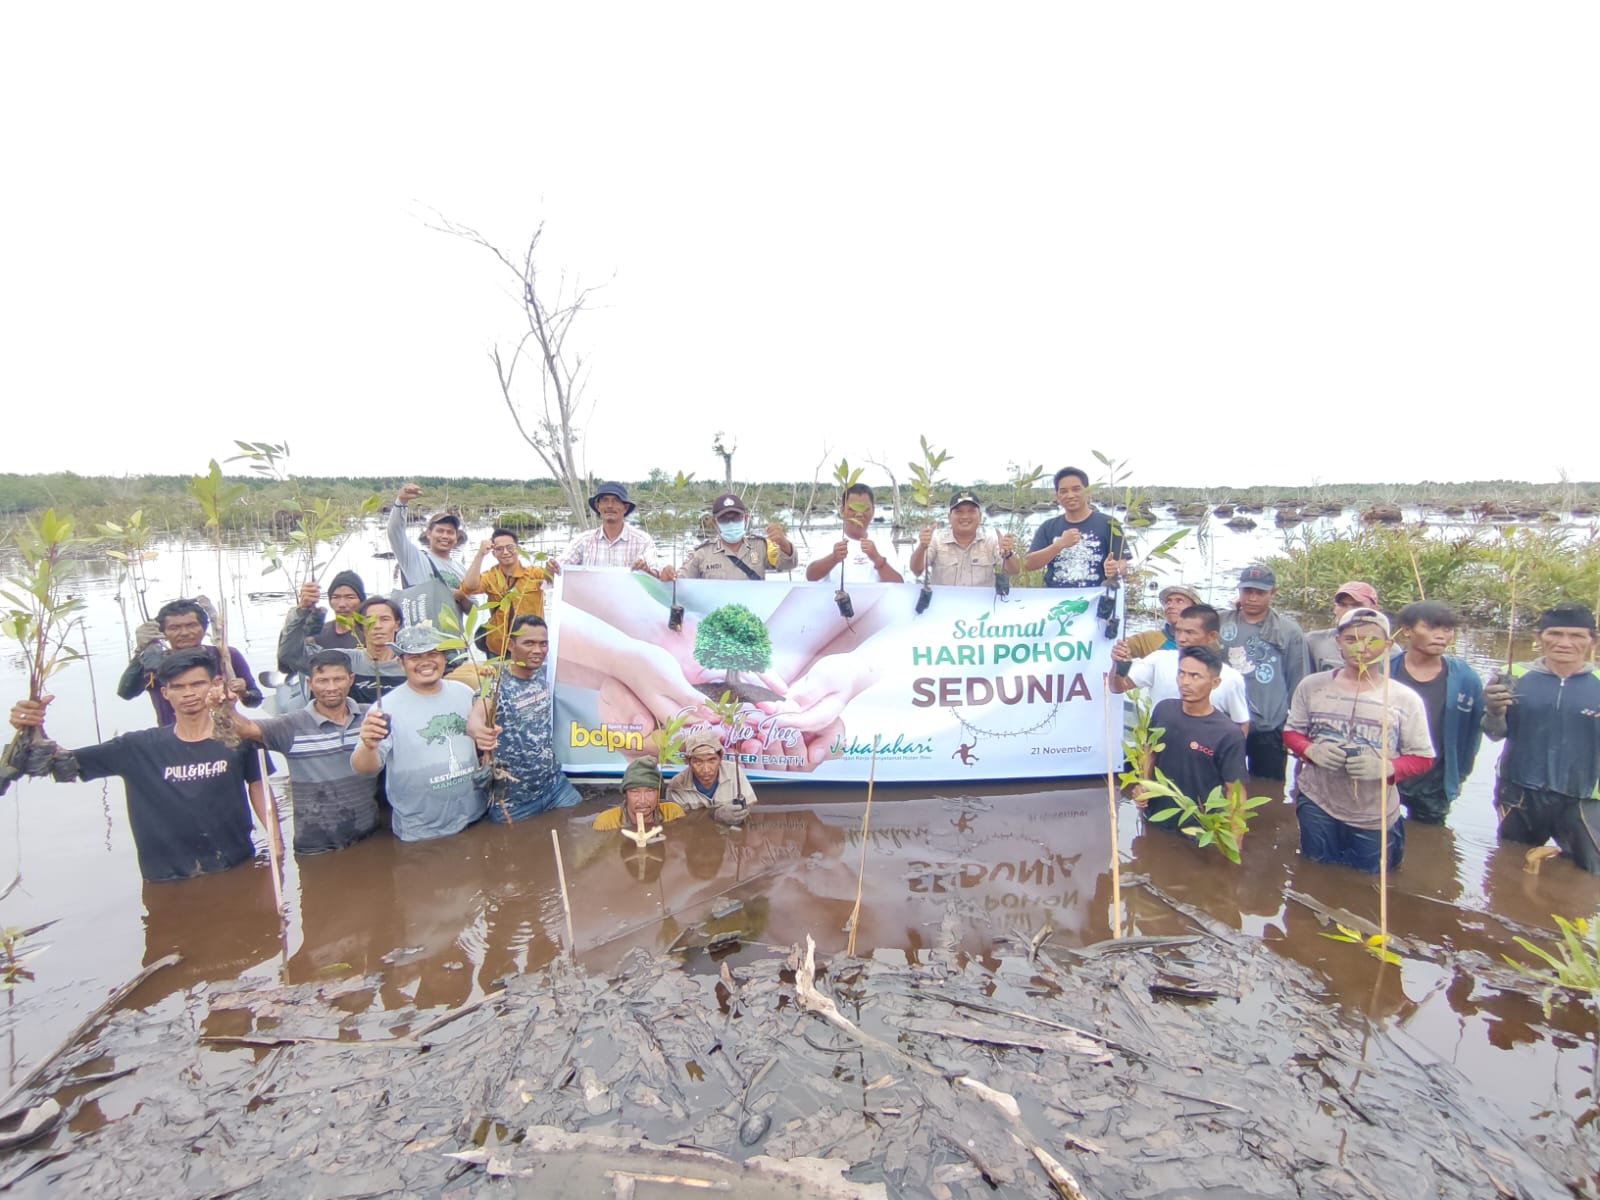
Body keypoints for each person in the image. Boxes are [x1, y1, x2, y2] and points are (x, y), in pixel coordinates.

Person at [8, 649, 279, 882]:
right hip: (164, 877)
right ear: (165, 693)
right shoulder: (135, 748)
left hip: (235, 867)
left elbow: (260, 789)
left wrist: (276, 845)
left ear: (214, 684)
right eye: (178, 687)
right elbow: (59, 764)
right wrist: (32, 731)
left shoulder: (239, 739)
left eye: (197, 684)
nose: (189, 694)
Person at [1284, 608, 1434, 873]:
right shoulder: (1312, 686)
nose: (1361, 648)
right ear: (1338, 643)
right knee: (1313, 872)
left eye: (1371, 640)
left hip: (1373, 812)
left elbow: (1423, 758)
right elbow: (1291, 732)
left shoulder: (1403, 699)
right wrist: (1310, 751)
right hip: (1317, 800)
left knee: (1369, 884)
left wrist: (1387, 768)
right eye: (1351, 640)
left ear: (1388, 646)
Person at [217, 648, 381, 855]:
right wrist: (225, 706)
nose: (331, 687)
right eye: (322, 680)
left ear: (351, 679)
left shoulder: (371, 717)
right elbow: (244, 728)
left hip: (371, 836)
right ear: (310, 683)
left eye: (338, 679)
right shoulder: (290, 725)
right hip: (314, 845)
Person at [1483, 602, 1600, 874]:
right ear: (1538, 638)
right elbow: (1493, 734)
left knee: (1587, 876)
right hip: (1519, 792)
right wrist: (1493, 710)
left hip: (1584, 797)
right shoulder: (1513, 676)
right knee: (1508, 866)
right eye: (1555, 634)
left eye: (1576, 636)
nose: (1564, 643)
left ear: (1592, 641)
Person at [351, 623, 492, 842]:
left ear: (444, 658)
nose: (425, 662)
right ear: (401, 662)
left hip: (474, 816)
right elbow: (365, 768)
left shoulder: (464, 693)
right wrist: (368, 746)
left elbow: (482, 737)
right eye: (415, 657)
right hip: (421, 830)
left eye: (433, 654)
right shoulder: (386, 708)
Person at [468, 616, 583, 822]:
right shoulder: (495, 683)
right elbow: (475, 718)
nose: (538, 650)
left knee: (580, 830)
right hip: (513, 802)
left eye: (543, 643)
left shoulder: (549, 671)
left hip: (555, 786)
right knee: (515, 851)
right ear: (511, 645)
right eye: (529, 643)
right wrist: (479, 733)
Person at [1133, 646, 1249, 833]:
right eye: (1181, 673)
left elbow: (1235, 794)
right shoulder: (1163, 710)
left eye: (1195, 676)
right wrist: (1143, 785)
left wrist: (1233, 843)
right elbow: (1150, 753)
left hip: (1201, 830)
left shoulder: (1228, 734)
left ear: (1215, 682)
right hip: (1156, 818)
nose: (1185, 682)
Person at [1389, 600, 1485, 824]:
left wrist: (1460, 775)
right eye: (1431, 628)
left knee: (1430, 838)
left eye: (1447, 629)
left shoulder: (1465, 678)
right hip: (1388, 771)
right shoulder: (1384, 669)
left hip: (1435, 778)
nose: (1441, 636)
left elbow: (1473, 731)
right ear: (1407, 630)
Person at [1217, 565, 1308, 780]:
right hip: (1225, 723)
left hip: (1269, 725)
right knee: (1223, 784)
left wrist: (1295, 725)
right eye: (1247, 591)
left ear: (1272, 593)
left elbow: (1298, 679)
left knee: (1268, 790)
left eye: (1260, 593)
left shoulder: (1288, 631)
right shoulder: (1220, 622)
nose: (1253, 598)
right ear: (1239, 591)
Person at [116, 598, 262, 726]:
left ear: (204, 628)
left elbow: (255, 701)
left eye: (191, 625)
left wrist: (243, 693)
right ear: (163, 633)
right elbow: (126, 693)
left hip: (224, 734)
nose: (184, 633)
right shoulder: (153, 661)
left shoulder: (225, 655)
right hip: (172, 739)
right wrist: (140, 651)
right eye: (175, 628)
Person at [1110, 604, 1250, 732]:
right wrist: (1117, 664)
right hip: (1159, 751)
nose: (1181, 638)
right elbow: (1118, 687)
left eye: (1190, 632)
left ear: (1211, 636)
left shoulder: (1230, 678)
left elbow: (1240, 724)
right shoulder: (1159, 659)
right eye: (1178, 631)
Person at [1023, 467, 1126, 588]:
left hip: (1096, 600)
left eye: (1076, 489)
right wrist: (1059, 545)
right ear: (1057, 496)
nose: (1070, 495)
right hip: (1055, 601)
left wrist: (1115, 568)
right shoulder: (1048, 526)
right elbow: (1029, 564)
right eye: (1064, 491)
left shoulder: (1109, 523)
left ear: (1088, 492)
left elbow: (1123, 564)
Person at [459, 528, 554, 656]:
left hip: (530, 647)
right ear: (493, 553)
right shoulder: (490, 576)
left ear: (518, 549)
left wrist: (552, 569)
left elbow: (554, 580)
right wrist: (480, 554)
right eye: (499, 549)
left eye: (510, 547)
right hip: (499, 646)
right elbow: (468, 588)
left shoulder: (534, 573)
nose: (505, 552)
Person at [667, 493, 796, 581]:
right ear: (715, 523)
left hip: (752, 616)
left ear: (745, 518)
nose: (731, 523)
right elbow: (679, 581)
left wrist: (784, 544)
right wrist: (668, 575)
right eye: (724, 519)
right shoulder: (702, 554)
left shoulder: (761, 546)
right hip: (718, 617)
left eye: (736, 518)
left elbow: (788, 565)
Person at [908, 489, 1021, 587]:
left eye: (971, 511)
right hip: (944, 606)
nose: (965, 516)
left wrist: (1008, 554)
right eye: (959, 512)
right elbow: (916, 570)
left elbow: (1014, 571)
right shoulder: (936, 541)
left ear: (980, 516)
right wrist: (922, 547)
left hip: (981, 607)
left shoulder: (990, 542)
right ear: (949, 517)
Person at [804, 483, 904, 583]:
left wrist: (877, 559)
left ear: (873, 511)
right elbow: (810, 576)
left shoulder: (884, 543)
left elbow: (899, 584)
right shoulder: (827, 541)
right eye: (853, 509)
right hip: (837, 598)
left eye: (864, 509)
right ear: (842, 511)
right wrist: (833, 558)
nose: (859, 514)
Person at [276, 571, 366, 674]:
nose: (342, 604)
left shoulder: (371, 633)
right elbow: (289, 658)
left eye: (350, 597)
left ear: (361, 601)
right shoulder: (319, 634)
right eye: (336, 597)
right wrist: (302, 610)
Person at [559, 481, 660, 573]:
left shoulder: (643, 541)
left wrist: (647, 572)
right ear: (598, 506)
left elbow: (656, 573)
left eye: (616, 500)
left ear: (625, 507)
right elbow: (558, 569)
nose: (610, 505)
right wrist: (552, 568)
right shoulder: (584, 541)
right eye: (604, 500)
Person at [664, 729, 759, 822]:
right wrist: (715, 814)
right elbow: (681, 823)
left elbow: (750, 804)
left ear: (721, 757)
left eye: (711, 760)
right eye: (698, 762)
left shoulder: (734, 771)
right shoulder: (677, 786)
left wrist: (739, 813)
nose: (706, 770)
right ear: (688, 761)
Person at [388, 482, 466, 591]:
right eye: (440, 531)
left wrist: (460, 597)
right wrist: (401, 501)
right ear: (428, 534)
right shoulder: (413, 558)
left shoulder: (462, 569)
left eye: (450, 532)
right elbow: (395, 532)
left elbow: (473, 604)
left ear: (456, 537)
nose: (445, 536)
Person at [593, 756, 687, 831]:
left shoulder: (673, 813)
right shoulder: (605, 822)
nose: (642, 800)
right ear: (625, 794)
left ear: (658, 793)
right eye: (635, 792)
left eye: (650, 791)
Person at [1306, 581, 1380, 672]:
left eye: (1357, 605)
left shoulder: (1388, 649)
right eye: (1342, 605)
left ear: (1375, 609)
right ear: (1334, 609)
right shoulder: (1314, 641)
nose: (1349, 611)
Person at [1123, 584, 1202, 659]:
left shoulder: (1205, 640)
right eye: (1168, 602)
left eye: (1179, 601)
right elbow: (1119, 647)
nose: (1170, 606)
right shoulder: (1149, 640)